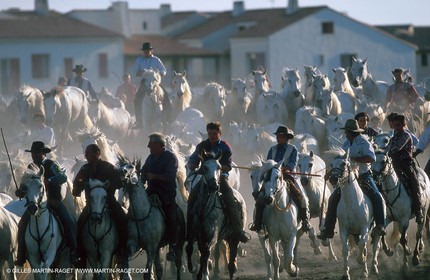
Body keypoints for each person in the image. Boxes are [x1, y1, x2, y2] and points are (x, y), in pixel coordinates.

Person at [317, 119, 386, 241]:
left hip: (364, 176)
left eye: (347, 132)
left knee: (377, 197)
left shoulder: (364, 142)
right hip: (347, 177)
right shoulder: (346, 144)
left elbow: (372, 158)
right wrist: (331, 171)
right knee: (333, 199)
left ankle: (380, 225)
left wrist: (354, 159)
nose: (345, 134)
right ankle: (328, 229)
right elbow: (340, 160)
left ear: (351, 132)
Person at [14, 141, 78, 266]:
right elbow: (25, 185)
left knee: (69, 222)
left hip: (53, 201)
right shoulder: (30, 167)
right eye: (33, 153)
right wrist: (21, 191)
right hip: (35, 204)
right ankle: (21, 254)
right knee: (22, 225)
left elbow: (63, 177)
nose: (34, 155)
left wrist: (50, 180)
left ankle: (73, 251)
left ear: (43, 153)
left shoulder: (51, 164)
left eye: (37, 152)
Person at [187, 122, 250, 243]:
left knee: (230, 199)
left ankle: (238, 231)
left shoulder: (225, 147)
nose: (212, 136)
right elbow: (194, 158)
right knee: (191, 199)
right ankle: (188, 231)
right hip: (205, 179)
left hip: (221, 178)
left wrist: (218, 168)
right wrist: (192, 164)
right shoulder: (201, 146)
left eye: (214, 133)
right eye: (210, 133)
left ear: (220, 134)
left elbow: (228, 165)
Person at [72, 144, 128, 268]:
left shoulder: (108, 167)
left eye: (88, 154)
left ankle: (124, 253)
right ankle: (80, 255)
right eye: (86, 154)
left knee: (123, 220)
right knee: (79, 225)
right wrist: (78, 184)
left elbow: (118, 184)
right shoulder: (85, 169)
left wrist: (107, 186)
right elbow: (76, 188)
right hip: (91, 205)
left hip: (109, 203)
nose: (86, 156)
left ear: (97, 153)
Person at [249, 125, 311, 233]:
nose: (278, 138)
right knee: (260, 198)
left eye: (281, 136)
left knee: (301, 197)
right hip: (272, 178)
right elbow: (268, 163)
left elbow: (292, 164)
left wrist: (281, 169)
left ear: (287, 138)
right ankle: (258, 224)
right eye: (277, 136)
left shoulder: (293, 149)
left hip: (288, 177)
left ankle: (305, 220)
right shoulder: (272, 150)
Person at [140, 132, 179, 262]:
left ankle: (173, 246)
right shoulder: (150, 158)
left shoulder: (171, 158)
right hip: (150, 192)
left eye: (151, 144)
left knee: (171, 216)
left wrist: (154, 176)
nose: (148, 146)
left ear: (159, 145)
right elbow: (143, 173)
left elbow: (169, 176)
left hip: (166, 194)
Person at [388, 114, 424, 224]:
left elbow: (396, 148)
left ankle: (418, 211)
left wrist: (385, 150)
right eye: (395, 125)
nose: (396, 127)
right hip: (394, 164)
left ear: (403, 125)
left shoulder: (406, 136)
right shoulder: (393, 137)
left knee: (414, 183)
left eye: (398, 125)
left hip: (406, 164)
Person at [132, 42, 167, 128]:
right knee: (136, 100)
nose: (146, 52)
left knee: (166, 96)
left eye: (148, 50)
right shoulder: (139, 60)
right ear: (143, 51)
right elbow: (135, 72)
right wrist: (141, 72)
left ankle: (167, 119)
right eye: (145, 50)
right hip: (144, 83)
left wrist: (158, 74)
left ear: (151, 50)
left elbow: (164, 71)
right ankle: (139, 120)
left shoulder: (156, 60)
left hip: (155, 83)